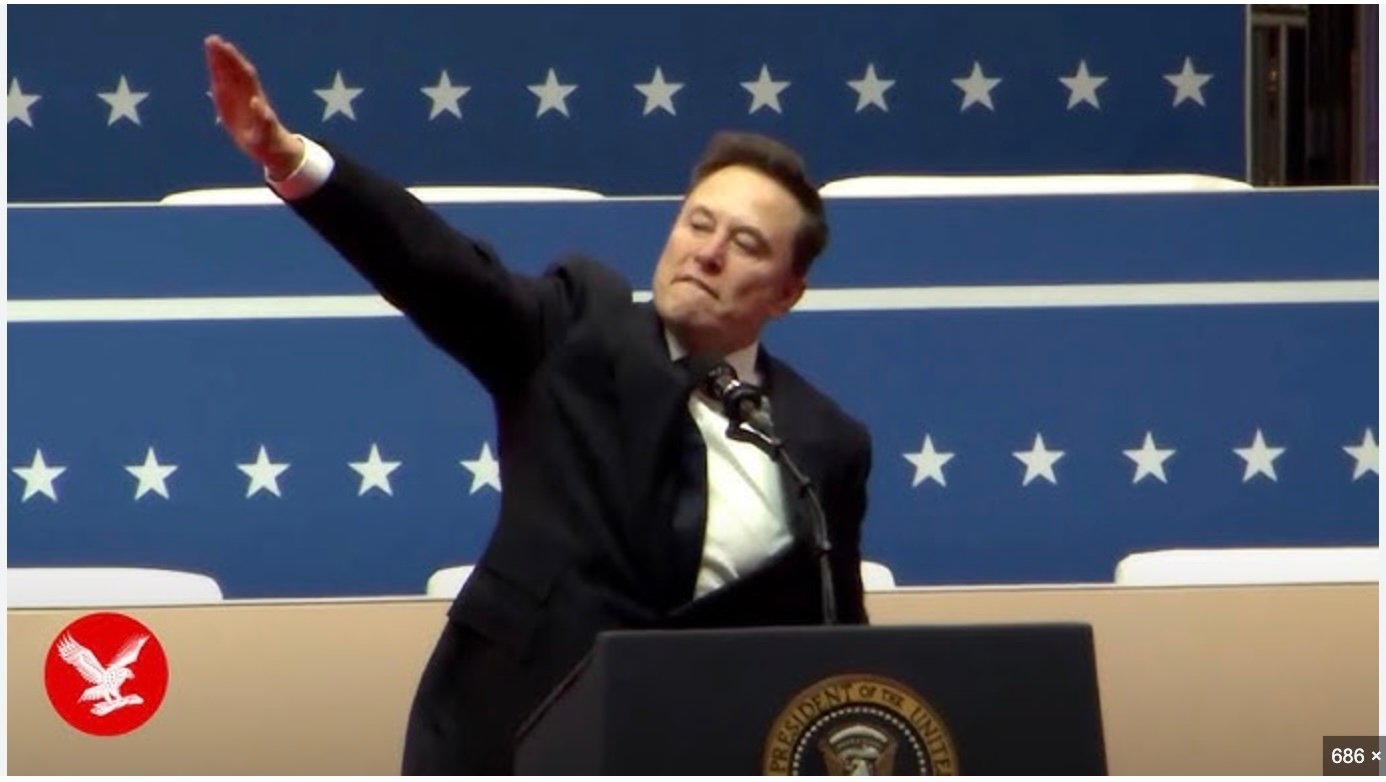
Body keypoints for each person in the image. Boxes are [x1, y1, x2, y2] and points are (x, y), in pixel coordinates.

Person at [205, 34, 873, 775]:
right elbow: (436, 267)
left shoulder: (822, 445)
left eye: (745, 243)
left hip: (694, 753)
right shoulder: (577, 327)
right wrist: (290, 158)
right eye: (697, 222)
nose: (707, 253)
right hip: (512, 740)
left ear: (787, 292)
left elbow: (834, 634)